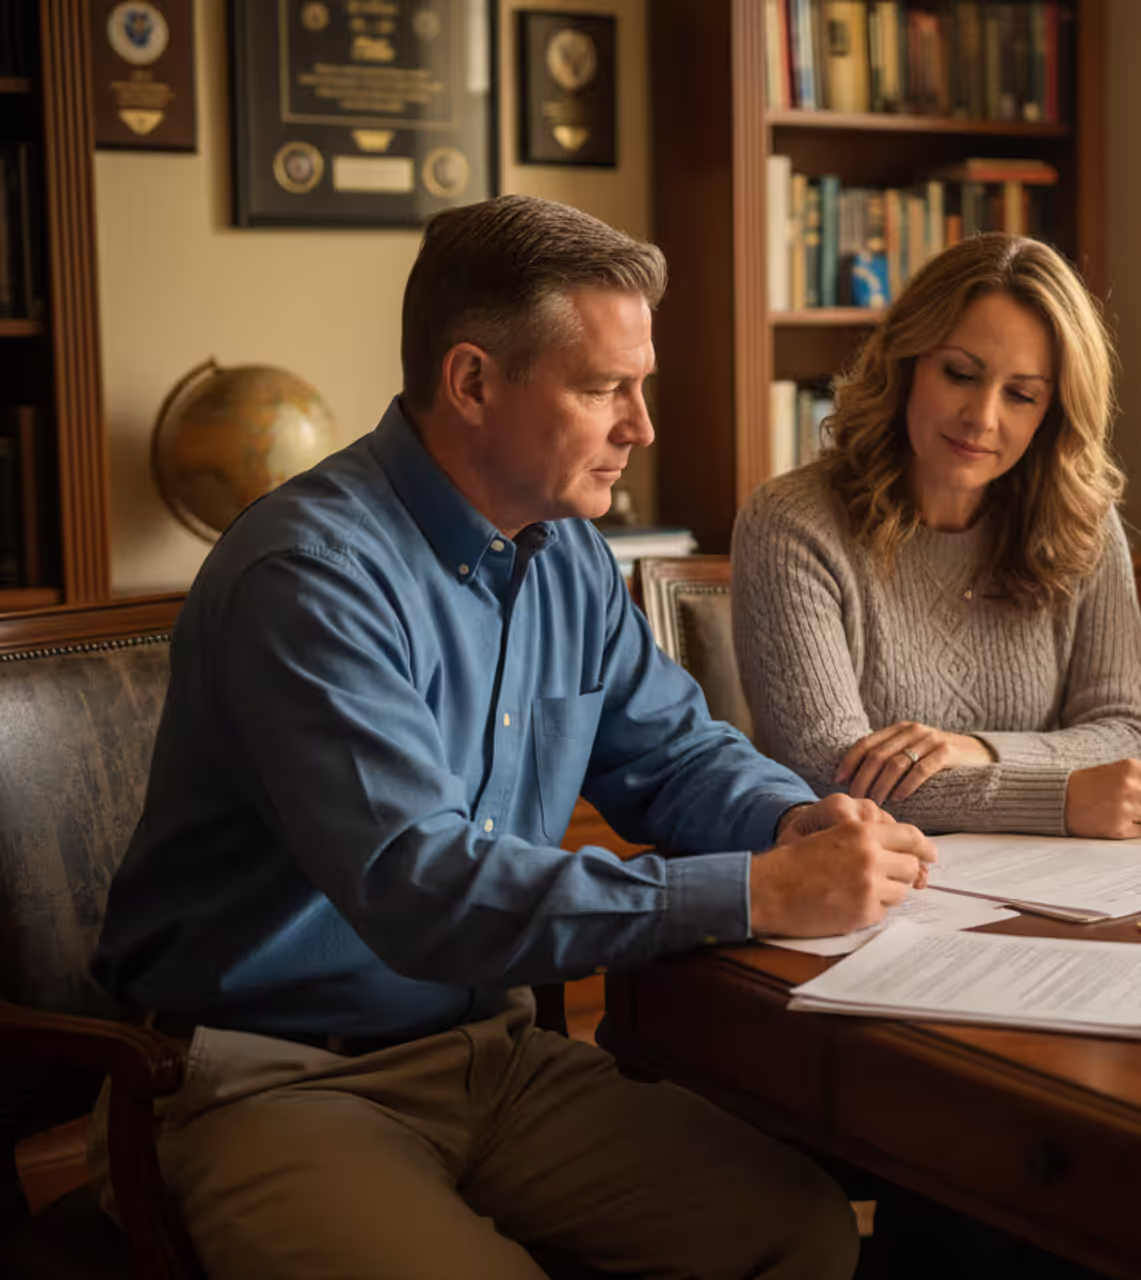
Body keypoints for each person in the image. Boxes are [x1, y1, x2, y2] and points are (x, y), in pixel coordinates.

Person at [89, 195, 936, 1279]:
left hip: (485, 1055)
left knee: (802, 1233)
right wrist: (756, 891)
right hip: (266, 1082)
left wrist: (796, 817)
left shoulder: (567, 550)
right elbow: (422, 885)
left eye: (642, 385)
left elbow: (675, 751)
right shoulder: (308, 578)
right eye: (604, 389)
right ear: (474, 381)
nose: (642, 425)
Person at [732, 233, 1141, 839]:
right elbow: (828, 770)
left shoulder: (1082, 520)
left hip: (1058, 884)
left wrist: (973, 748)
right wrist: (1056, 799)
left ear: (1051, 412)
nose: (982, 417)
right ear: (906, 364)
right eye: (959, 374)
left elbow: (1127, 729)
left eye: (1021, 394)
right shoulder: (792, 522)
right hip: (863, 888)